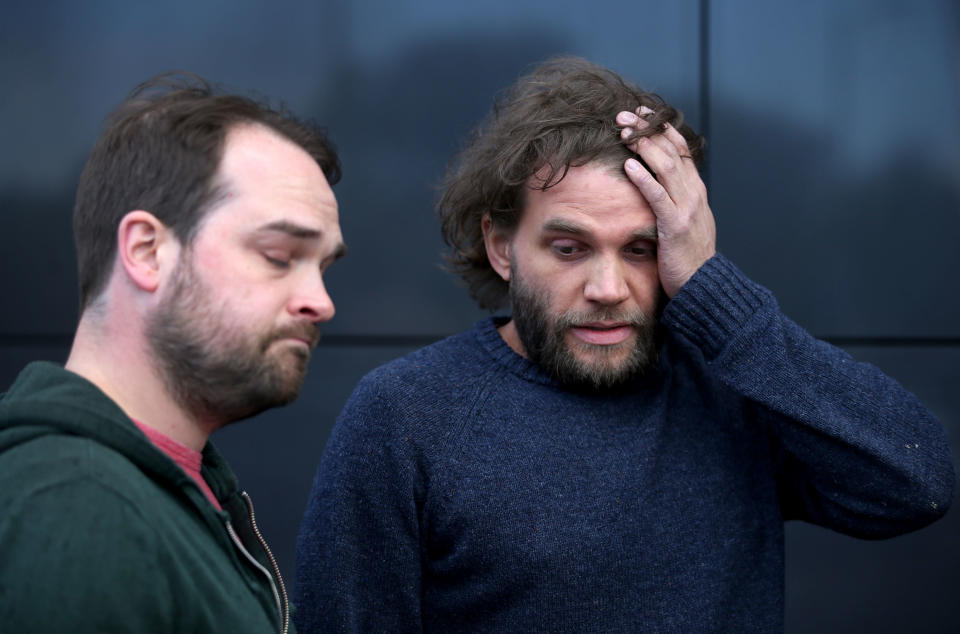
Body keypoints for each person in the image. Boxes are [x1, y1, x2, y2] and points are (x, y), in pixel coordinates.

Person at [294, 57, 955, 632]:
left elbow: (914, 484)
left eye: (642, 249)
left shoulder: (736, 392)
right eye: (569, 247)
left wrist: (711, 290)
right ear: (502, 248)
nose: (607, 286)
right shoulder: (406, 414)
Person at [0, 73, 345, 633]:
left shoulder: (173, 487)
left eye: (324, 267)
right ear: (147, 250)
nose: (320, 302)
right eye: (280, 255)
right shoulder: (73, 508)